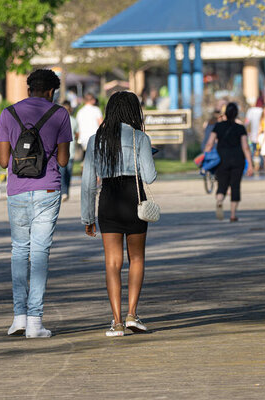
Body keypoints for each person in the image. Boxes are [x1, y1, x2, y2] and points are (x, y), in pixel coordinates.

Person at [0, 69, 71, 338]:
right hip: (48, 189)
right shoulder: (60, 114)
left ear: (29, 88)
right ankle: (35, 322)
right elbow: (63, 161)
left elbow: (3, 161)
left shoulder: (8, 114)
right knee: (39, 253)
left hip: (17, 190)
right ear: (51, 91)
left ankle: (18, 318)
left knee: (19, 250)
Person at [81, 91, 157, 337]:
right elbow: (149, 177)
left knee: (112, 263)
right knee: (137, 258)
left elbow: (87, 183)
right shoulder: (140, 138)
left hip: (108, 200)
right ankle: (132, 314)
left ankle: (116, 322)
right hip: (133, 199)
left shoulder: (96, 140)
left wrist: (87, 217)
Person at [203, 102, 253, 222]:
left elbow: (209, 143)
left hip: (221, 159)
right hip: (237, 160)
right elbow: (245, 146)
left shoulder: (218, 126)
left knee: (222, 184)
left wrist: (206, 157)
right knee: (235, 186)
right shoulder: (240, 128)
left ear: (225, 113)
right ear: (236, 114)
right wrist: (250, 164)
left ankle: (219, 200)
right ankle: (232, 214)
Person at [60, 101, 78, 202]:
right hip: (67, 151)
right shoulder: (72, 120)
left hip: (66, 152)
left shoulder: (71, 120)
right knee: (65, 173)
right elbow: (77, 134)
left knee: (65, 173)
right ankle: (64, 192)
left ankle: (65, 192)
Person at [245, 98, 265, 174]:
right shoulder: (263, 110)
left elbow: (247, 122)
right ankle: (261, 165)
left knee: (253, 151)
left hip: (253, 135)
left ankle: (253, 165)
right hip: (261, 135)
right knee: (261, 151)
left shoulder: (251, 110)